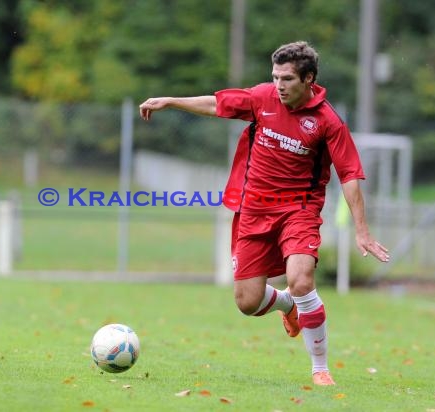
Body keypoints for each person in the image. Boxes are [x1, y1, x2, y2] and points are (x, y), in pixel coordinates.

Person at [139, 41, 389, 386]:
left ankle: (320, 368)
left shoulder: (328, 121)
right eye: (275, 77)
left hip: (298, 211)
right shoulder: (262, 98)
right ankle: (288, 306)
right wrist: (170, 101)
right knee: (247, 302)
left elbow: (350, 175)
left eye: (287, 79)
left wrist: (362, 230)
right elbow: (217, 103)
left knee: (302, 280)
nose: (279, 85)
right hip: (253, 209)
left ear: (309, 78)